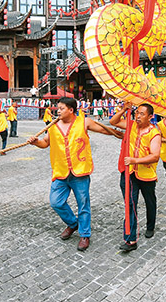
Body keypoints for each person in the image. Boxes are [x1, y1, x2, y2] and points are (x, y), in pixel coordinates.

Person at [28, 97, 110, 251]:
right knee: (56, 202)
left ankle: (85, 234)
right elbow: (45, 143)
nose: (58, 111)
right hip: (61, 172)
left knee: (83, 204)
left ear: (71, 110)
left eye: (61, 108)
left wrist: (122, 133)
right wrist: (35, 142)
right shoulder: (52, 126)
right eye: (57, 108)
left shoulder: (84, 122)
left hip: (80, 171)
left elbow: (105, 130)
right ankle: (73, 224)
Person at [110, 103, 161, 252]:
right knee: (130, 204)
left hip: (146, 175)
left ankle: (150, 225)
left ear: (150, 117)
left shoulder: (154, 133)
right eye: (136, 113)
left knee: (150, 201)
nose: (137, 116)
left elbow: (155, 156)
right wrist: (125, 109)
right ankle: (131, 239)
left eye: (142, 114)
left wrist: (135, 160)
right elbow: (113, 122)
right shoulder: (131, 125)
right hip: (130, 173)